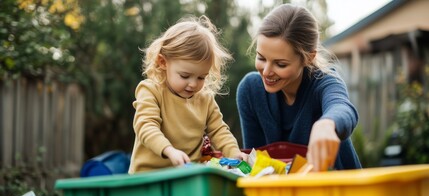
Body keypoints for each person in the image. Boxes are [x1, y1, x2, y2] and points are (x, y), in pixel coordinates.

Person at [236, 3, 362, 172]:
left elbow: (343, 108)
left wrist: (327, 124)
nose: (266, 72)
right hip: (281, 194)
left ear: (308, 58)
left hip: (340, 190)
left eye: (280, 64)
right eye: (261, 58)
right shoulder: (250, 91)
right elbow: (254, 165)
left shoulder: (323, 82)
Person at [129, 15, 246, 173]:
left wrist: (234, 152)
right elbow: (146, 126)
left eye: (201, 77)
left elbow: (219, 130)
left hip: (187, 176)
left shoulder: (205, 99)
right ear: (163, 62)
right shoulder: (151, 90)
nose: (193, 84)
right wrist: (169, 150)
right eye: (185, 76)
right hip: (148, 177)